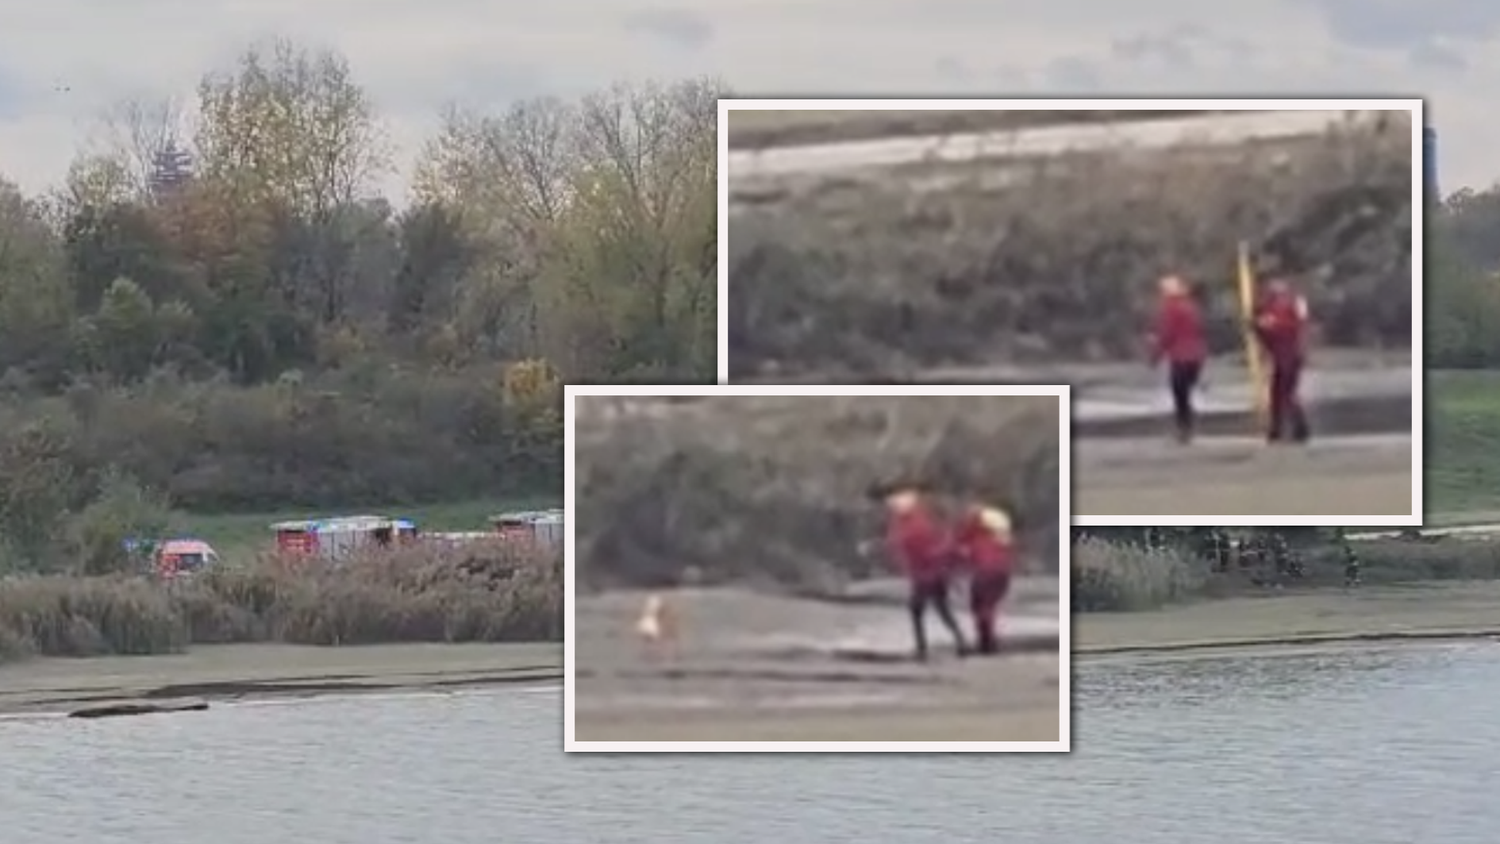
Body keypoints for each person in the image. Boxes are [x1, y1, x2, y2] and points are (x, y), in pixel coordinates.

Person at [879, 480, 968, 661]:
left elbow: (910, 546)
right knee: (940, 608)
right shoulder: (914, 519)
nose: (891, 507)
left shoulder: (912, 523)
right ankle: (959, 641)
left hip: (926, 574)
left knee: (917, 609)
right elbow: (900, 543)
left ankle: (923, 647)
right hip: (932, 572)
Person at [1148, 274, 1209, 443]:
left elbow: (1166, 334)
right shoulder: (1192, 306)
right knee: (1185, 391)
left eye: (1162, 290)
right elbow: (1200, 329)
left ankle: (1184, 429)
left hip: (1180, 356)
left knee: (1180, 393)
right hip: (1196, 356)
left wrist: (1155, 356)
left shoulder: (1170, 308)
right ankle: (1186, 426)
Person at [1253, 278, 1311, 443]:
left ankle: (1291, 428)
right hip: (1290, 354)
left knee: (1283, 393)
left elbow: (1272, 330)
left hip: (1285, 355)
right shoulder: (1293, 304)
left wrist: (1262, 327)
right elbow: (1300, 327)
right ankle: (1284, 429)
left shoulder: (1275, 309)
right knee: (1283, 392)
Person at [952, 502, 1015, 655]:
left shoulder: (974, 533)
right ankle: (987, 641)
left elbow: (961, 546)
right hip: (1001, 573)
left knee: (981, 607)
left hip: (985, 573)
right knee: (987, 606)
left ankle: (987, 642)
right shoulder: (998, 534)